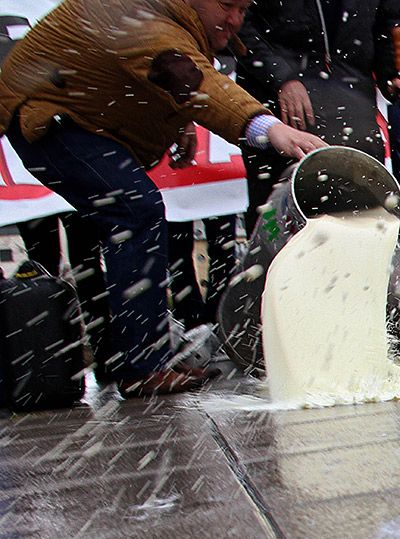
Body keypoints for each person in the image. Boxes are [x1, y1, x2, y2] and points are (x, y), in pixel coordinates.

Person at [0, 0, 327, 397]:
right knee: (135, 210)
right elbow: (188, 76)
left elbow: (171, 73)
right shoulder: (142, 16)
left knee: (121, 217)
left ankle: (120, 358)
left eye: (243, 9)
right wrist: (267, 127)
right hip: (49, 116)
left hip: (80, 117)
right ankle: (141, 367)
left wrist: (181, 117)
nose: (235, 20)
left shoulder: (171, 15)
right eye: (226, 5)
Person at [234, 0, 400, 232]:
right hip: (281, 110)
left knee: (362, 211)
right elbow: (238, 27)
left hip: (352, 98)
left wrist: (393, 75)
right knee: (279, 216)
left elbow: (389, 20)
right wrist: (281, 78)